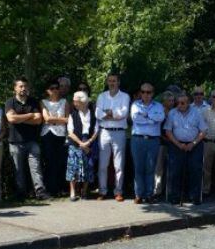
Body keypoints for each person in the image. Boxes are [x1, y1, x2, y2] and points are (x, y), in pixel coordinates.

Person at [5, 77, 49, 200]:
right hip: (15, 141)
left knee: (36, 168)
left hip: (32, 141)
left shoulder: (33, 102)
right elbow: (11, 119)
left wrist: (19, 118)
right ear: (15, 88)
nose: (23, 88)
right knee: (18, 169)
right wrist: (30, 115)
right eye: (20, 86)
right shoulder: (10, 102)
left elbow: (38, 120)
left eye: (25, 86)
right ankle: (21, 193)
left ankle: (40, 192)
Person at [164, 93, 207, 205]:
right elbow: (168, 131)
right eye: (177, 103)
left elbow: (203, 131)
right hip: (176, 144)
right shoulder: (172, 113)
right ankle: (175, 196)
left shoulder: (196, 113)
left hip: (194, 144)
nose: (179, 105)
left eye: (182, 103)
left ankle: (194, 196)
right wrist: (178, 144)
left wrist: (193, 143)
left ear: (188, 103)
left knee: (195, 170)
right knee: (175, 170)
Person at [95, 73, 130, 201]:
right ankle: (102, 191)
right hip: (104, 132)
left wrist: (109, 113)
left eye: (114, 81)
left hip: (119, 132)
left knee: (119, 164)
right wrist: (113, 114)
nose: (111, 83)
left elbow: (124, 113)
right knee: (103, 164)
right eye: (109, 81)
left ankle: (118, 191)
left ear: (118, 82)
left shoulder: (125, 96)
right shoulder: (101, 96)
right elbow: (97, 113)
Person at [130, 83, 165, 204]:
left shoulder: (159, 106)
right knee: (138, 168)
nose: (145, 94)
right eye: (143, 92)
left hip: (153, 140)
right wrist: (151, 119)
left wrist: (145, 116)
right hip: (137, 139)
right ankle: (139, 194)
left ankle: (149, 194)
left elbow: (160, 118)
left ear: (153, 93)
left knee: (150, 168)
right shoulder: (135, 104)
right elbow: (135, 118)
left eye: (148, 92)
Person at [65, 91, 98, 201]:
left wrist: (88, 142)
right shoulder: (72, 115)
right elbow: (70, 132)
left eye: (76, 101)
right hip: (75, 144)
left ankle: (84, 191)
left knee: (88, 167)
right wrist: (81, 143)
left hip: (89, 144)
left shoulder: (93, 115)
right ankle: (73, 191)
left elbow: (96, 130)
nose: (74, 103)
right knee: (73, 168)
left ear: (83, 102)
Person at [40, 80, 71, 197]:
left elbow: (68, 120)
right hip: (47, 134)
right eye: (52, 88)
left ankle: (61, 188)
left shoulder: (65, 102)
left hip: (62, 134)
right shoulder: (43, 102)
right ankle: (50, 189)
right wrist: (59, 119)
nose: (55, 90)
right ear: (47, 91)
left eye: (56, 88)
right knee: (49, 161)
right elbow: (46, 119)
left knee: (61, 162)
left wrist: (53, 119)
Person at [154, 91, 175, 199]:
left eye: (172, 100)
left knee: (170, 168)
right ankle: (157, 191)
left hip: (172, 143)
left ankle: (169, 190)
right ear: (164, 101)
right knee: (159, 168)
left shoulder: (174, 112)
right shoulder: (159, 111)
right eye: (169, 100)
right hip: (161, 142)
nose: (172, 103)